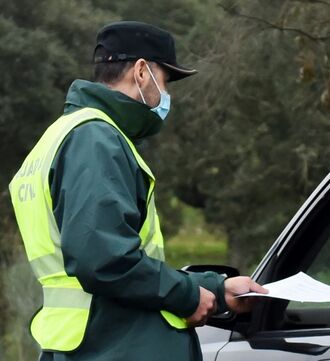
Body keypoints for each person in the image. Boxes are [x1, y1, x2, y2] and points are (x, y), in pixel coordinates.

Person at [9, 21, 266, 361]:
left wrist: (216, 289)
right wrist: (187, 293)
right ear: (142, 72)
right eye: (166, 80)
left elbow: (114, 256)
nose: (167, 95)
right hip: (116, 345)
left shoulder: (62, 136)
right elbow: (104, 259)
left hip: (83, 344)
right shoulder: (96, 139)